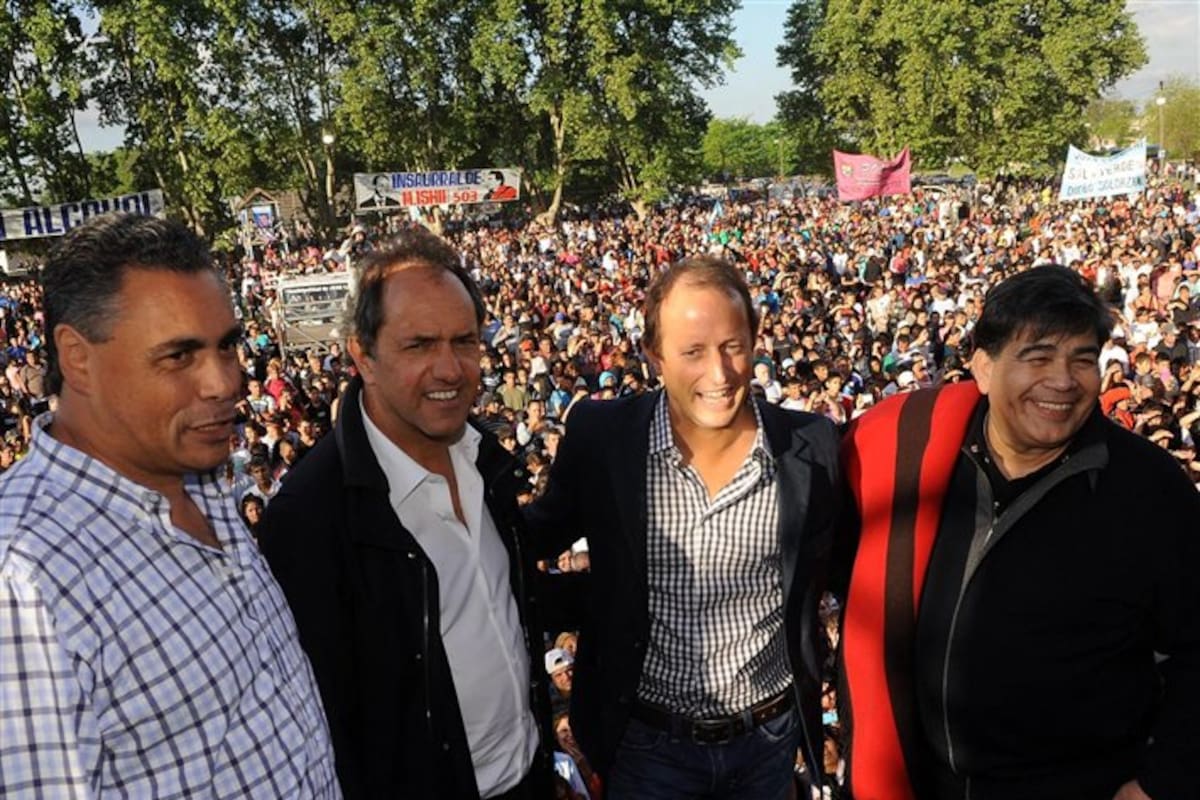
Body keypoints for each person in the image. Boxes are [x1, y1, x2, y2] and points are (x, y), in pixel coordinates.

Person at [0, 213, 339, 798]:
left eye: (227, 346)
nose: (223, 382)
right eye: (178, 356)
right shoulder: (25, 582)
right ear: (77, 358)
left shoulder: (195, 475)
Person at [838, 265, 1200, 800]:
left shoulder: (1151, 490)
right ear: (983, 368)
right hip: (926, 784)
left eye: (1082, 359)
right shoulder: (913, 461)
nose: (1063, 380)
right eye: (1038, 357)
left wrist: (1160, 782)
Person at [526, 255, 840, 799]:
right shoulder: (604, 440)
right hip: (647, 746)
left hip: (767, 742)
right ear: (655, 356)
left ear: (756, 340)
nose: (718, 374)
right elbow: (528, 542)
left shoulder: (813, 445)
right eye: (693, 352)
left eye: (733, 347)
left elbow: (841, 574)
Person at [258, 227, 555, 799]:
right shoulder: (310, 517)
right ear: (362, 356)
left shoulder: (485, 461)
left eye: (464, 341)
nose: (450, 369)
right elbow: (326, 721)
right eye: (419, 345)